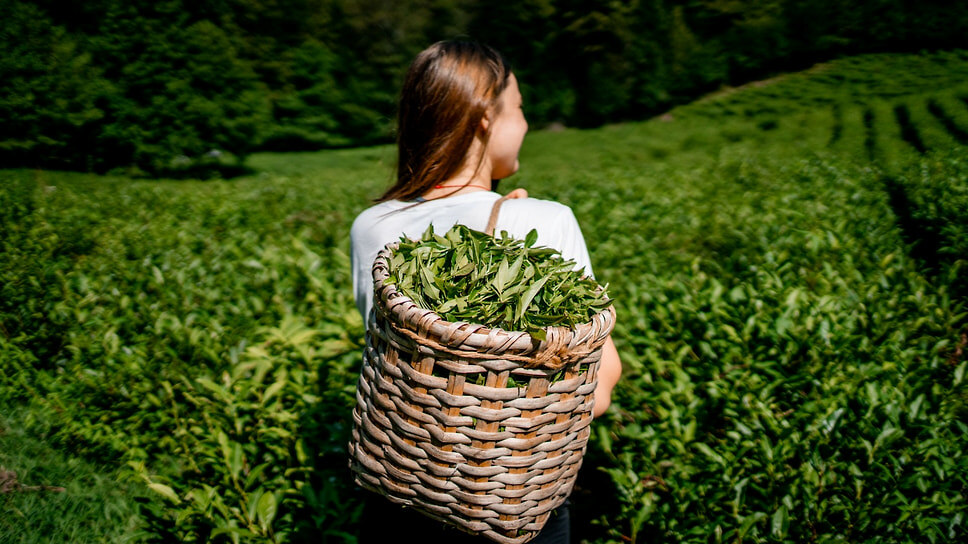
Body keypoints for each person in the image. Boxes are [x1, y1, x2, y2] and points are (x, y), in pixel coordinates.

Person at [349, 40, 622, 544]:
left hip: (400, 492)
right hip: (509, 502)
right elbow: (599, 381)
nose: (524, 125)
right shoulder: (543, 220)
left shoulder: (371, 225)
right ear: (483, 119)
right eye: (518, 110)